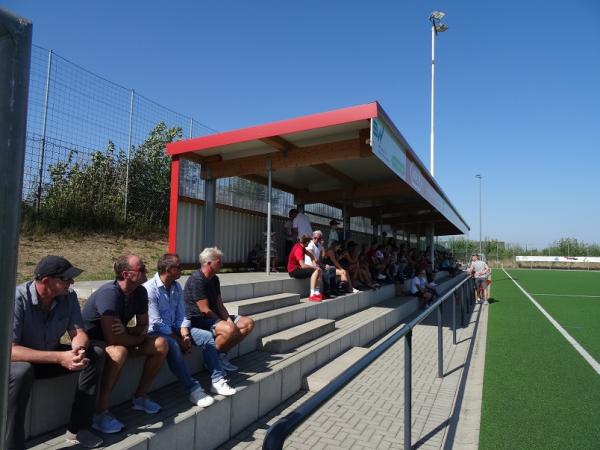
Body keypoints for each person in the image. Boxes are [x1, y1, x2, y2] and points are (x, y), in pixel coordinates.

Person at [9, 256, 104, 449]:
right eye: (66, 279)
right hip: (21, 362)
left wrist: (78, 349)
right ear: (46, 281)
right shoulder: (17, 299)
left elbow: (77, 331)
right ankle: (12, 444)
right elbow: (9, 351)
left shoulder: (68, 297)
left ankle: (80, 428)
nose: (72, 282)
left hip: (51, 357)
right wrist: (60, 357)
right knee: (21, 372)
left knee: (95, 353)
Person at [82, 255, 169, 434]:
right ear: (126, 274)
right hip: (94, 342)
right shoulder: (109, 293)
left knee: (160, 344)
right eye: (142, 268)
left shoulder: (140, 292)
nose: (146, 270)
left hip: (120, 338)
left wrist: (129, 332)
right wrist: (136, 337)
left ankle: (140, 397)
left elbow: (143, 325)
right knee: (119, 351)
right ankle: (100, 413)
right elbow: (113, 339)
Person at [145, 254, 233, 407]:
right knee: (172, 345)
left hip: (177, 329)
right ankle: (193, 389)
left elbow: (182, 315)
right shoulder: (150, 289)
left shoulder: (176, 287)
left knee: (206, 336)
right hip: (156, 332)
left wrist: (185, 335)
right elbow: (156, 323)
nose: (182, 269)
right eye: (179, 267)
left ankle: (217, 380)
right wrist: (179, 339)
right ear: (168, 269)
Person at [183, 247, 255, 378]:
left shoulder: (214, 279)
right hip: (199, 320)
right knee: (229, 329)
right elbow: (204, 310)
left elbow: (219, 304)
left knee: (248, 323)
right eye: (219, 261)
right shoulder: (197, 280)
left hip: (213, 315)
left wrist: (228, 320)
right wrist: (226, 324)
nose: (222, 264)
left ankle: (220, 355)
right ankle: (211, 361)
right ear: (208, 263)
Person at [288, 234, 323, 301]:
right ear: (306, 242)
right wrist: (313, 266)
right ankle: (312, 295)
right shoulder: (298, 249)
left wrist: (314, 262)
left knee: (319, 270)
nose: (309, 243)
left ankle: (317, 292)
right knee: (316, 270)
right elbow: (303, 265)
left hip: (298, 269)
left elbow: (311, 255)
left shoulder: (302, 247)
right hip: (293, 271)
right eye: (309, 242)